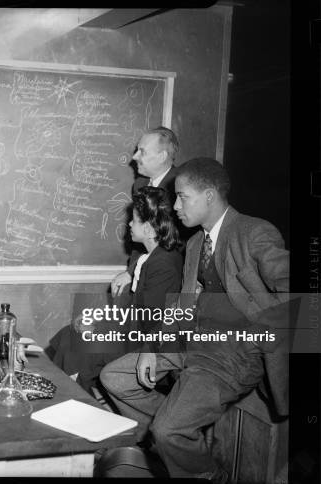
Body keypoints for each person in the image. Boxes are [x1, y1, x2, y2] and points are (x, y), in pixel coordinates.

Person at [100, 158, 289, 482]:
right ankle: (175, 444)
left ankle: (206, 472)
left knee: (168, 428)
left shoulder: (254, 232)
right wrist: (150, 345)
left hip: (231, 355)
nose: (174, 206)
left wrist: (261, 337)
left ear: (210, 195)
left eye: (182, 196)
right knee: (115, 378)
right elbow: (183, 304)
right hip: (191, 342)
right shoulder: (195, 243)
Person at [48, 187, 182, 394]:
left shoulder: (163, 263)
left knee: (78, 345)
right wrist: (95, 318)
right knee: (70, 335)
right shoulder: (148, 258)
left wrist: (100, 329)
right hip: (132, 332)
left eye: (134, 220)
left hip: (144, 342)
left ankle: (70, 398)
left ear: (147, 229)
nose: (129, 224)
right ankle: (67, 394)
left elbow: (151, 319)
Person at [111, 126, 182, 298]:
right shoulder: (140, 185)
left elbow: (183, 241)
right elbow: (141, 235)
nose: (134, 157)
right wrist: (132, 271)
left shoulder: (182, 185)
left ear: (162, 156)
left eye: (141, 152)